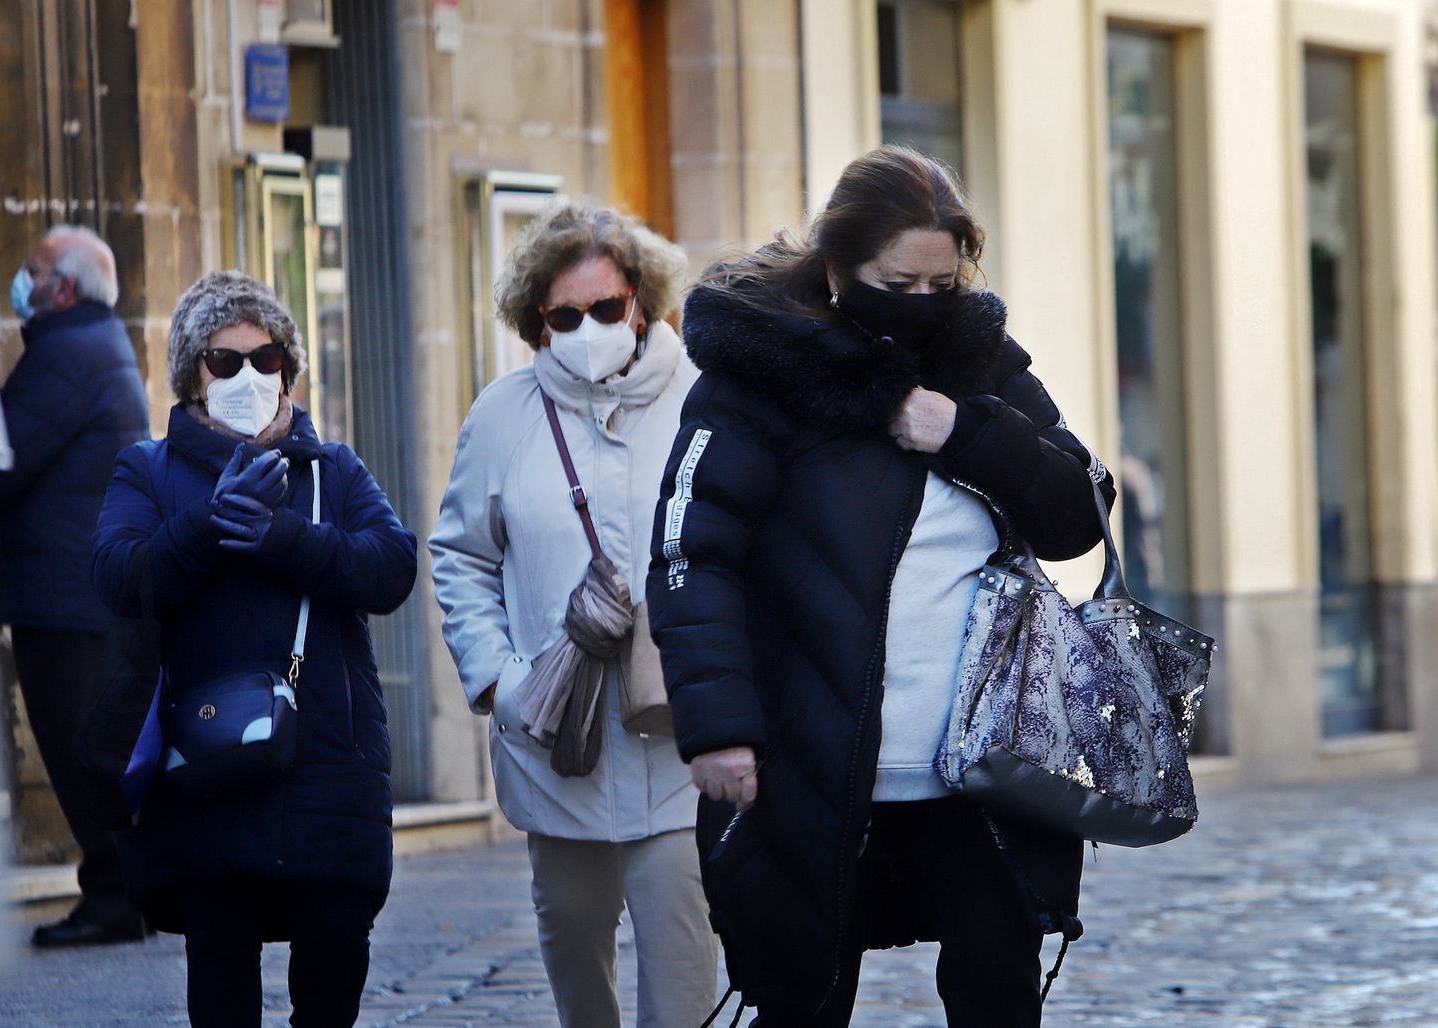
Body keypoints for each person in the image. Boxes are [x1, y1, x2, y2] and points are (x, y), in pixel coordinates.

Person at [647, 146, 1115, 1026]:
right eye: (900, 287)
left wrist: (969, 432)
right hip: (811, 766)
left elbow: (1077, 510)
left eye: (944, 286)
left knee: (998, 999)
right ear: (837, 267)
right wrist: (719, 727)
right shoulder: (757, 378)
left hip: (984, 773)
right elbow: (690, 555)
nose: (926, 308)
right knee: (801, 998)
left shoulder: (983, 365)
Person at [92, 270, 417, 1027]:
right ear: (190, 377)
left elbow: (391, 564)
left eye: (266, 359)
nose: (248, 375)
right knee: (221, 957)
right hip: (205, 764)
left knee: (336, 956)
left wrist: (285, 540)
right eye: (224, 360)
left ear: (289, 370)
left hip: (328, 762)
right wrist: (209, 525)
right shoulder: (147, 468)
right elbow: (117, 573)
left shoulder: (330, 469)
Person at [429, 200, 718, 1027]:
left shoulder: (704, 401)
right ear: (537, 322)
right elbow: (460, 555)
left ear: (640, 299)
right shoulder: (502, 414)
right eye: (565, 314)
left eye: (604, 307)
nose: (588, 326)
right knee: (574, 959)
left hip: (677, 747)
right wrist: (500, 682)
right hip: (557, 742)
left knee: (682, 971)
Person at [0, 224, 150, 948]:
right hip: (82, 593)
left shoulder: (66, 353)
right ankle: (125, 891)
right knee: (96, 751)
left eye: (36, 269)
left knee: (81, 754)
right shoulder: (97, 343)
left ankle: (115, 897)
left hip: (63, 597)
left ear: (65, 288)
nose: (23, 279)